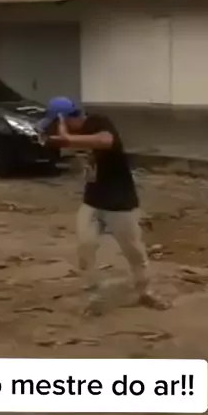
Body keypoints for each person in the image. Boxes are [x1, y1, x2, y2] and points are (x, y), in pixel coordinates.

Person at [38, 96, 166, 314]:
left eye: (56, 123)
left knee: (133, 251)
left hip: (120, 201)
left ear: (65, 119)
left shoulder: (97, 121)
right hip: (93, 200)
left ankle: (145, 291)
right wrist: (51, 139)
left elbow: (105, 141)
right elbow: (55, 142)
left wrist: (68, 138)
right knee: (85, 246)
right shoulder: (75, 133)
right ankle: (94, 297)